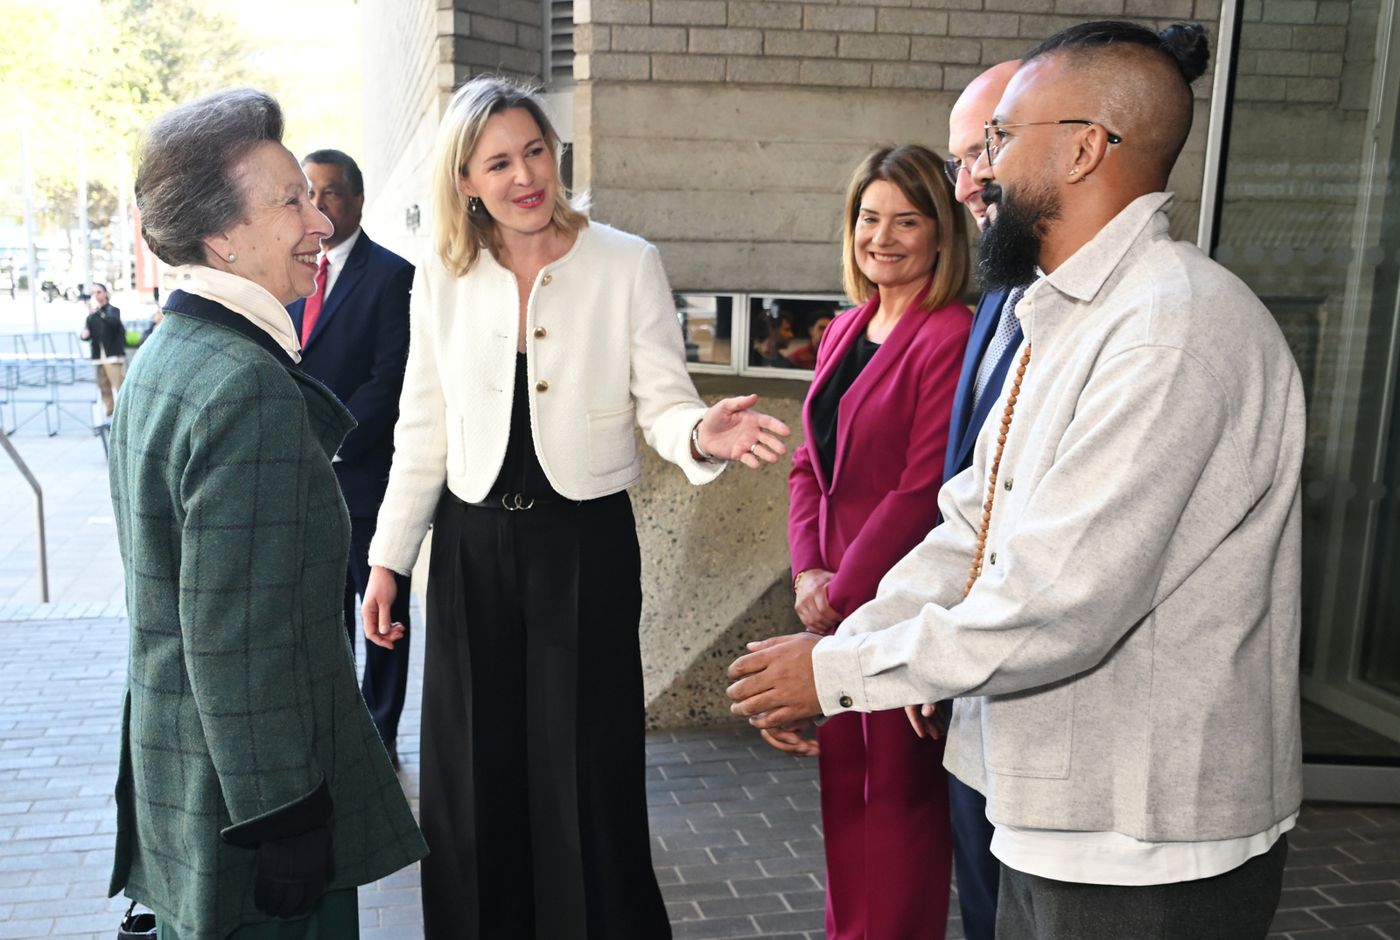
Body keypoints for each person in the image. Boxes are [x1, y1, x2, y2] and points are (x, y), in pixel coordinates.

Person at [729, 21, 1305, 939]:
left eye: (999, 140)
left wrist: (837, 672)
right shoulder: (1067, 315)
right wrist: (856, 638)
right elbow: (970, 525)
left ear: (1083, 148)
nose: (973, 177)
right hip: (1051, 812)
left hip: (1143, 843)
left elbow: (1060, 602)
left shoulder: (1170, 330)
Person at [359, 75, 790, 940]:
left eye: (535, 152)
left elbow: (664, 406)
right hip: (473, 544)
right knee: (471, 775)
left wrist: (703, 433)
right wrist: (388, 559)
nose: (525, 176)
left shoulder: (625, 261)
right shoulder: (443, 277)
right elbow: (422, 427)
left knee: (585, 769)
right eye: (498, 163)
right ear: (465, 182)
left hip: (583, 541)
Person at [109, 88, 426, 938]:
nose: (319, 224)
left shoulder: (169, 358)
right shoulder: (244, 386)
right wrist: (288, 818)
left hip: (192, 788)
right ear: (221, 238)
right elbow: (241, 637)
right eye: (290, 201)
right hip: (253, 819)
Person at [777, 145, 971, 939]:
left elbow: (920, 489)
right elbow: (805, 464)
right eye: (869, 217)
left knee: (899, 809)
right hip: (834, 598)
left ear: (940, 234)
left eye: (907, 220)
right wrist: (806, 572)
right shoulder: (845, 327)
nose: (882, 236)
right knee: (846, 795)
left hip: (898, 604)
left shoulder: (949, 332)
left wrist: (844, 593)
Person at [287, 148, 413, 768]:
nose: (320, 204)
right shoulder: (286, 273)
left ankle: (380, 735)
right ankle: (334, 732)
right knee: (323, 616)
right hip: (302, 483)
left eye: (331, 192)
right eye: (308, 193)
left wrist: (331, 439)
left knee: (382, 614)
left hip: (368, 481)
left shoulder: (392, 276)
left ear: (358, 199)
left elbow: (390, 378)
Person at [940, 58, 1023, 940]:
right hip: (970, 689)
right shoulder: (1000, 291)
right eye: (958, 158)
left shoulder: (1147, 331)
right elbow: (965, 494)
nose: (967, 184)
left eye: (984, 151)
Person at [81, 283, 126, 416]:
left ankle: (124, 411)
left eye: (98, 292)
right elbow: (87, 332)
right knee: (103, 386)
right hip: (98, 356)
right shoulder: (91, 316)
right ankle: (109, 410)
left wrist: (97, 312)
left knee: (119, 385)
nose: (96, 295)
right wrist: (84, 335)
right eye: (93, 292)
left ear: (106, 293)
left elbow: (112, 324)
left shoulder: (113, 310)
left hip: (112, 354)